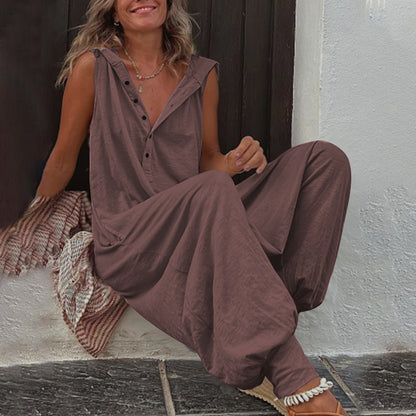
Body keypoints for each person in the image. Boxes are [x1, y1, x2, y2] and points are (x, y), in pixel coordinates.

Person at [35, 0, 351, 415]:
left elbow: (207, 161)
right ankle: (296, 381)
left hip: (199, 219)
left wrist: (235, 162)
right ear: (112, 9)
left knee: (325, 161)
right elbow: (63, 158)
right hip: (132, 238)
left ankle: (257, 331)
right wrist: (29, 220)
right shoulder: (93, 69)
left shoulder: (201, 74)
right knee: (212, 191)